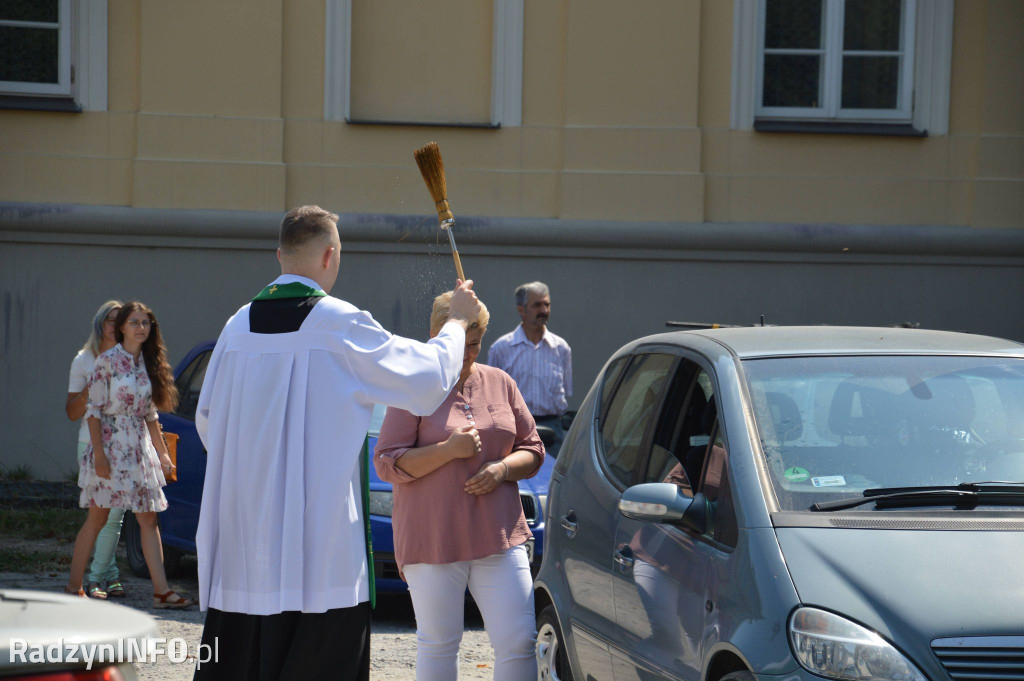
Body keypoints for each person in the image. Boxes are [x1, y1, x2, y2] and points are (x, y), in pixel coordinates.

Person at [192, 205, 482, 681]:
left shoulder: (236, 327)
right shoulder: (338, 323)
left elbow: (208, 422)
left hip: (247, 547)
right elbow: (426, 379)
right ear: (330, 255)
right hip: (320, 548)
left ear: (280, 255)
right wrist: (457, 322)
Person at [375, 291, 545, 681]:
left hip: (499, 534)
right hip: (432, 537)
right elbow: (387, 462)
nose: (467, 354)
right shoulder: (414, 387)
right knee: (439, 643)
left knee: (520, 641)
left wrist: (502, 469)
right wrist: (449, 450)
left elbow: (533, 449)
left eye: (475, 344)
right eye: (461, 343)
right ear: (436, 336)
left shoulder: (500, 382)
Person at [66, 301, 189, 609]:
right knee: (98, 518)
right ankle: (73, 586)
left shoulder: (149, 363)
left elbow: (151, 415)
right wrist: (99, 456)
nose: (141, 328)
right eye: (134, 322)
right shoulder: (106, 361)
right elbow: (93, 412)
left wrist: (163, 455)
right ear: (121, 327)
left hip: (139, 449)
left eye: (146, 323)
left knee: (148, 519)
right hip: (110, 446)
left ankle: (162, 592)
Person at [66, 300, 126, 600]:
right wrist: (93, 386)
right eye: (111, 320)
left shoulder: (132, 358)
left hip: (125, 446)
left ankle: (103, 575)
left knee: (114, 516)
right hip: (91, 446)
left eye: (121, 320)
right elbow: (71, 412)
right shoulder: (84, 360)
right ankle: (100, 578)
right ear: (100, 324)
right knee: (102, 515)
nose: (116, 325)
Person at [487, 281, 572, 453]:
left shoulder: (561, 348)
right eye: (537, 305)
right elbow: (490, 394)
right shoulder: (501, 349)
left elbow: (566, 389)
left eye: (547, 304)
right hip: (515, 429)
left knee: (552, 471)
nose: (544, 310)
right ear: (521, 309)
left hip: (552, 431)